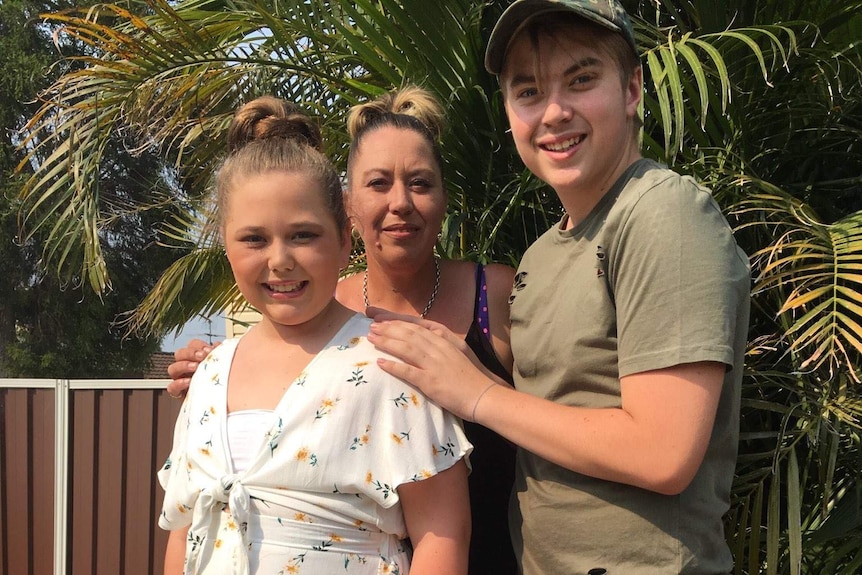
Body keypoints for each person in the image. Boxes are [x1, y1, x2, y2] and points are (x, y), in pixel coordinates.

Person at [366, 2, 751, 574]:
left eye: (581, 79)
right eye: (528, 91)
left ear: (632, 90)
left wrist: (478, 394)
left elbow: (663, 452)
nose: (553, 112)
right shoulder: (544, 255)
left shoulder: (661, 214)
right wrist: (250, 369)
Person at [166, 87, 519, 573]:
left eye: (420, 182)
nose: (280, 260)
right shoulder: (219, 370)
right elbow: (188, 520)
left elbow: (442, 535)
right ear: (351, 206)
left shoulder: (399, 360)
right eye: (379, 182)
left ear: (338, 236)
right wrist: (207, 374)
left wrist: (480, 388)